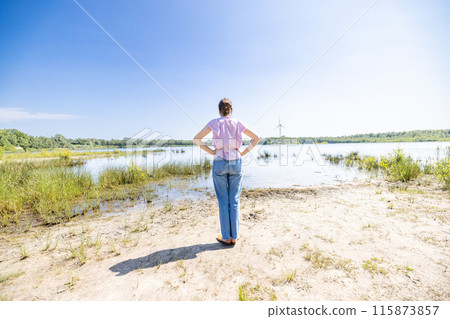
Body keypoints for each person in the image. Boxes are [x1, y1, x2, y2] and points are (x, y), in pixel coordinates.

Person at [193, 98, 261, 246]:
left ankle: (226, 237)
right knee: (234, 200)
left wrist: (211, 151)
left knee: (223, 201)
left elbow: (197, 139)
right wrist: (242, 153)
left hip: (219, 162)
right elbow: (256, 138)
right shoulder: (238, 122)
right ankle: (234, 236)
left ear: (219, 110)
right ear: (231, 110)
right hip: (236, 161)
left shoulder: (214, 122)